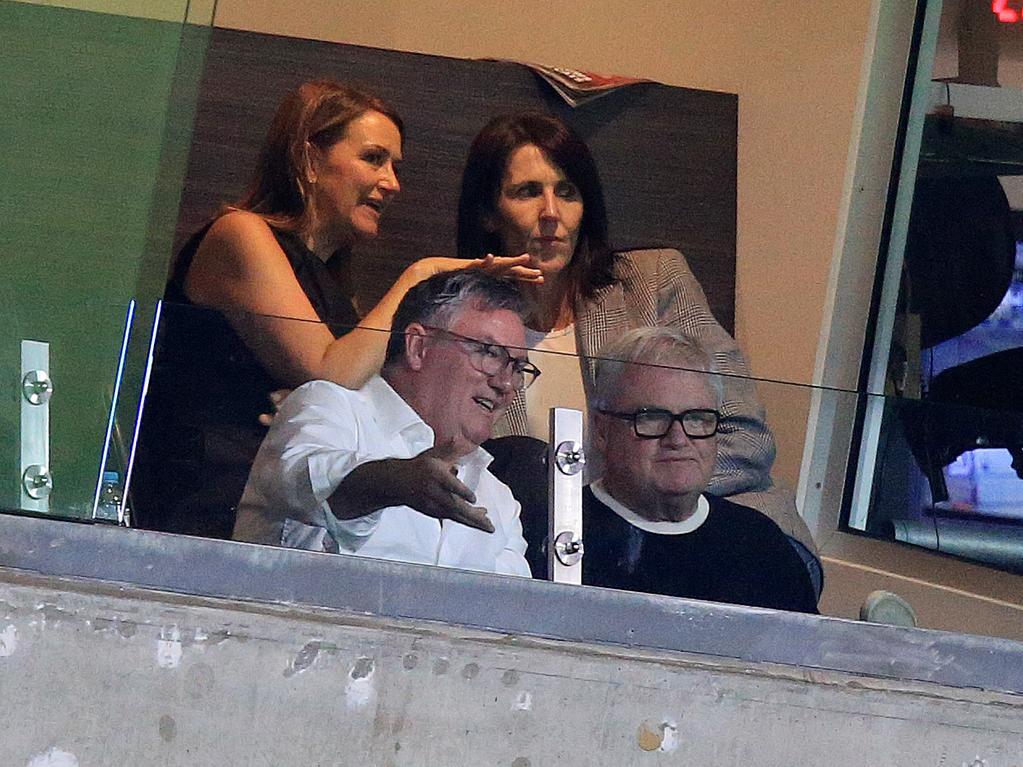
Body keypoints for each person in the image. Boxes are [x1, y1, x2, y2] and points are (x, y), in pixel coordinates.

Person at [134, 80, 538, 538]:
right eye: (373, 158)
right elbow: (327, 375)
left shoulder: (337, 288)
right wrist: (421, 274)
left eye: (394, 165)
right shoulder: (238, 234)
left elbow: (344, 395)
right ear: (308, 159)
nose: (392, 183)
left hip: (289, 508)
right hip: (202, 502)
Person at [456, 110, 818, 567]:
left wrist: (632, 499)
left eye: (567, 192)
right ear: (488, 213)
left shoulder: (653, 280)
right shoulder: (462, 323)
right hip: (554, 548)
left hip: (714, 524)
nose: (551, 213)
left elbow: (745, 440)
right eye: (528, 192)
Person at [232, 270, 536, 577]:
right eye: (489, 353)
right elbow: (304, 483)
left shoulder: (498, 498)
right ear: (418, 346)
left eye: (518, 367)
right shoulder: (330, 408)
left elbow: (511, 612)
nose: (506, 383)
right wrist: (391, 483)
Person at [583, 327, 818, 613]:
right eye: (653, 418)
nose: (678, 439)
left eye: (697, 419)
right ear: (602, 430)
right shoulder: (564, 531)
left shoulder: (760, 543)